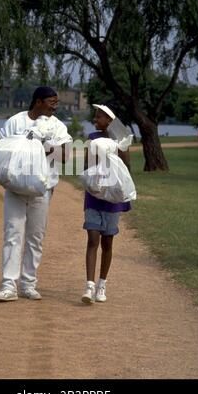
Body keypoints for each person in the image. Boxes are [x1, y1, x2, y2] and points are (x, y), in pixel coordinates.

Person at [0, 86, 71, 302]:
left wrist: (40, 145)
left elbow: (65, 156)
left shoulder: (57, 126)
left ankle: (28, 284)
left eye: (56, 102)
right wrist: (25, 143)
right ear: (38, 102)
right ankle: (8, 285)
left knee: (35, 237)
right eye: (51, 102)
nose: (55, 106)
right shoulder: (15, 122)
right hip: (15, 188)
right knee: (12, 234)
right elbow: (2, 148)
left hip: (42, 190)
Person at [81, 104, 132, 304]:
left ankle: (102, 284)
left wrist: (118, 152)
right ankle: (89, 285)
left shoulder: (120, 140)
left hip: (111, 197)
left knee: (107, 242)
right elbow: (86, 165)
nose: (95, 120)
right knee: (92, 238)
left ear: (109, 121)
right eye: (95, 117)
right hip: (94, 194)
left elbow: (126, 168)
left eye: (99, 117)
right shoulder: (92, 138)